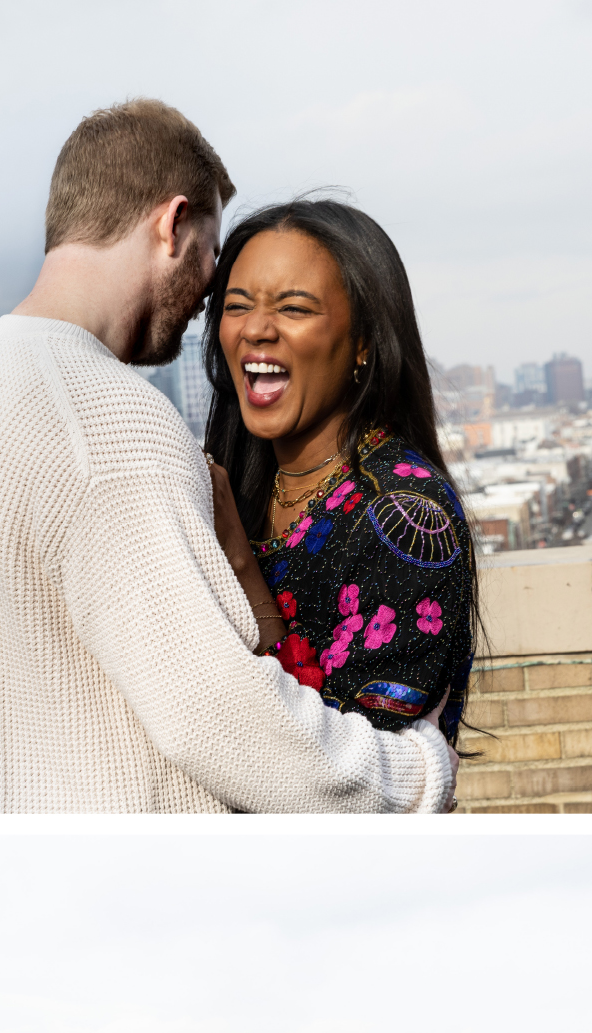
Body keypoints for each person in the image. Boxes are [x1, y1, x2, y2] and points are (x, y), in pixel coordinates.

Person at [0, 100, 456, 813]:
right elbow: (217, 712)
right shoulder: (105, 419)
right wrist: (412, 779)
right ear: (173, 224)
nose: (211, 298)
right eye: (213, 255)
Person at [203, 200, 479, 753]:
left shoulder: (404, 515)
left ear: (363, 343)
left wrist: (239, 565)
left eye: (295, 309)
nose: (257, 329)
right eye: (237, 306)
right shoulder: (241, 483)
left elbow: (360, 777)